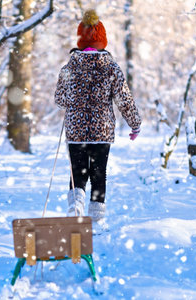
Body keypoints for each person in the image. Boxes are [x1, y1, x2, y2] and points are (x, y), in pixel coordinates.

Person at [54, 9, 141, 226]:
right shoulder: (111, 67)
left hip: (76, 131)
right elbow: (124, 100)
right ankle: (97, 221)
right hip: (102, 131)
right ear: (103, 41)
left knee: (78, 172)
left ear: (81, 40)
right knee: (98, 174)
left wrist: (76, 99)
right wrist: (135, 124)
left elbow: (60, 99)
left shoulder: (70, 66)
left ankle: (75, 209)